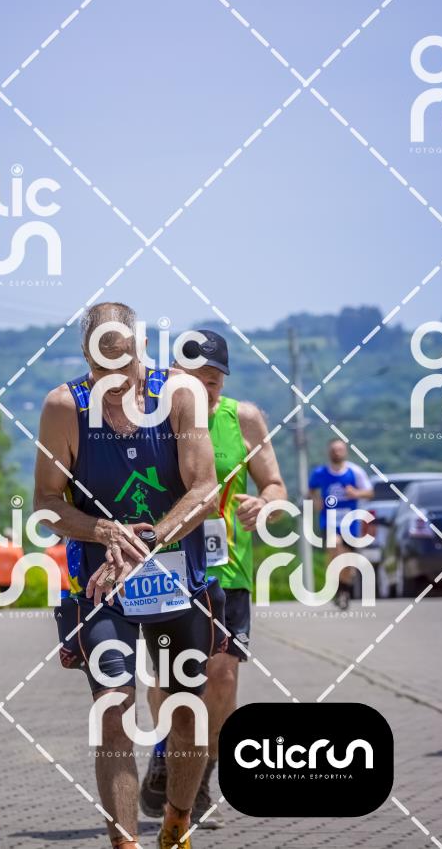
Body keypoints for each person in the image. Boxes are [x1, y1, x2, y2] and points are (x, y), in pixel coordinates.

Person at [34, 302, 221, 849]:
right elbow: (46, 503)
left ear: (141, 348)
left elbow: (205, 490)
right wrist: (102, 530)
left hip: (175, 576)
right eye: (101, 370)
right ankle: (125, 844)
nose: (114, 383)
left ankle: (177, 820)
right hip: (101, 583)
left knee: (185, 712)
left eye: (124, 366)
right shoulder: (64, 407)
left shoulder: (179, 395)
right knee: (113, 708)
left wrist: (147, 540)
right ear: (85, 358)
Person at [140, 330, 287, 829]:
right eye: (196, 380)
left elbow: (275, 484)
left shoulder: (242, 418)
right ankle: (167, 748)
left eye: (215, 381)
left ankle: (198, 779)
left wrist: (264, 504)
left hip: (228, 567)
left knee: (221, 679)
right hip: (169, 569)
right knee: (168, 678)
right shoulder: (151, 419)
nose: (206, 390)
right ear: (173, 377)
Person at [308, 438, 374, 609]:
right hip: (329, 520)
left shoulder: (355, 472)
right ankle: (335, 586)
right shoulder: (320, 472)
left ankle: (343, 590)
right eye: (333, 450)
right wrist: (316, 500)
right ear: (329, 452)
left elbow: (369, 492)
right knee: (335, 547)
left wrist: (356, 494)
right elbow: (311, 489)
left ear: (345, 452)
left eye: (339, 450)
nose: (336, 453)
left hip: (350, 522)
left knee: (347, 562)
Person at [0, 527, 23, 592]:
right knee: (12, 597)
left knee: (3, 597)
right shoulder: (17, 549)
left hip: (0, 580)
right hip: (14, 580)